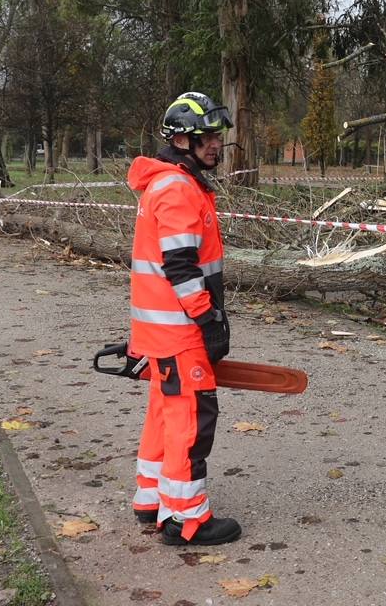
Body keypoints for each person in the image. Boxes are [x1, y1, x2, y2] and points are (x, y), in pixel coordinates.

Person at [125, 92, 239, 546]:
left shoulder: (173, 182)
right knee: (191, 421)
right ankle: (187, 520)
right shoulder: (175, 188)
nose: (216, 144)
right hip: (180, 330)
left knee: (165, 416)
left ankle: (152, 499)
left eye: (217, 136)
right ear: (181, 139)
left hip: (162, 330)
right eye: (206, 137)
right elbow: (180, 267)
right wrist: (208, 319)